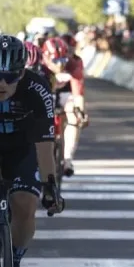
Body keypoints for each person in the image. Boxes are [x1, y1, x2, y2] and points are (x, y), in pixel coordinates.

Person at [0, 35, 64, 267]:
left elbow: (44, 144)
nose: (2, 84)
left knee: (26, 205)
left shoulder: (37, 88)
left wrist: (51, 188)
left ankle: (15, 265)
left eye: (11, 77)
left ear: (22, 74)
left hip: (22, 148)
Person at [41, 37, 86, 177]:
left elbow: (78, 93)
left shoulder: (74, 64)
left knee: (74, 114)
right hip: (45, 93)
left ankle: (67, 158)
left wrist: (81, 112)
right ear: (45, 57)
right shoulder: (38, 64)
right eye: (55, 61)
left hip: (66, 94)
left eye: (63, 61)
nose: (60, 66)